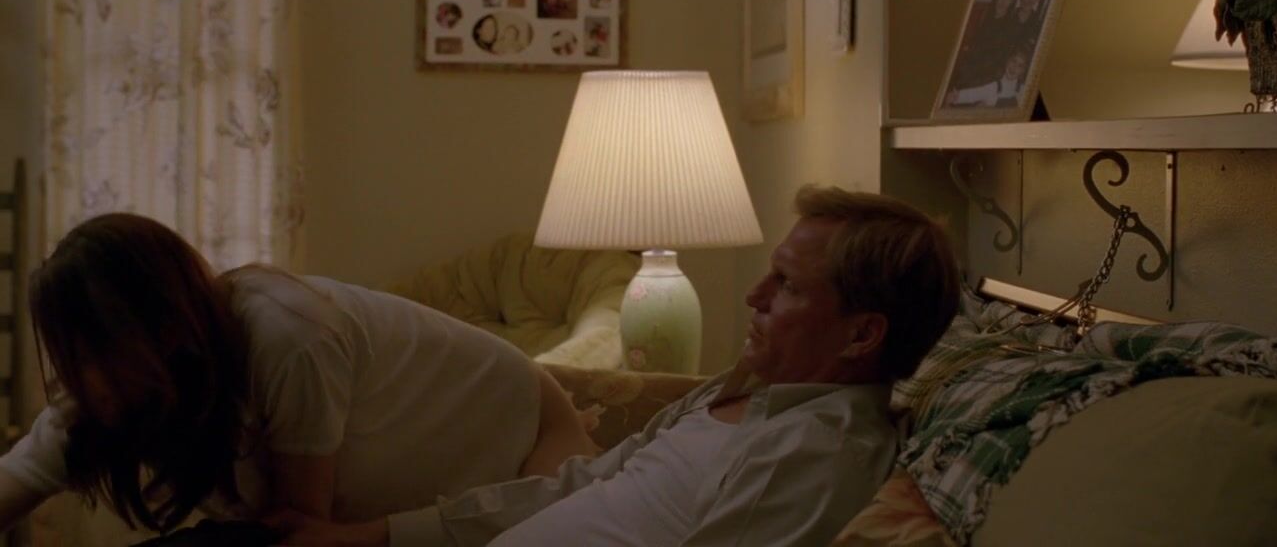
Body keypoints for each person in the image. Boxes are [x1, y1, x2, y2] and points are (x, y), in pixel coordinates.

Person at [275, 185, 962, 547]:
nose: (753, 297)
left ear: (861, 334)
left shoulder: (814, 452)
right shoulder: (741, 394)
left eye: (785, 286)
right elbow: (583, 483)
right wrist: (374, 535)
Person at [0, 214, 598, 537]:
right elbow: (15, 480)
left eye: (103, 353)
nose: (91, 380)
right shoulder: (105, 395)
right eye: (74, 358)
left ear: (164, 326)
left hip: (530, 437)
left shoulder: (285, 336)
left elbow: (298, 531)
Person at [953, 0, 1021, 90]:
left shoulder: (1011, 26)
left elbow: (999, 61)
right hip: (966, 68)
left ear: (1013, 0)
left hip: (985, 77)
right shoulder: (984, 14)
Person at [945, 40, 1033, 109]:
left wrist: (992, 103)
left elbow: (1018, 105)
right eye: (1013, 61)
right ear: (1007, 60)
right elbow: (975, 93)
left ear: (1023, 71)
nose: (1014, 67)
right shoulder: (993, 86)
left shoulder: (1024, 90)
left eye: (1020, 66)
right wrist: (958, 96)